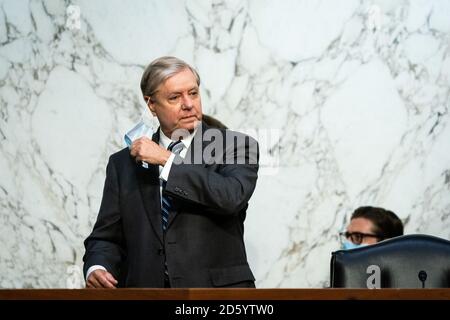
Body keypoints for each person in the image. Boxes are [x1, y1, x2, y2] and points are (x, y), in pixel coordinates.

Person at [83, 56, 259, 288]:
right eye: (175, 97)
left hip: (217, 296)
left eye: (193, 93)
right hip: (146, 294)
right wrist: (98, 267)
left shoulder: (235, 145)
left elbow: (230, 196)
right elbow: (106, 237)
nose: (188, 104)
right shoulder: (122, 163)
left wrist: (166, 160)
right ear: (151, 104)